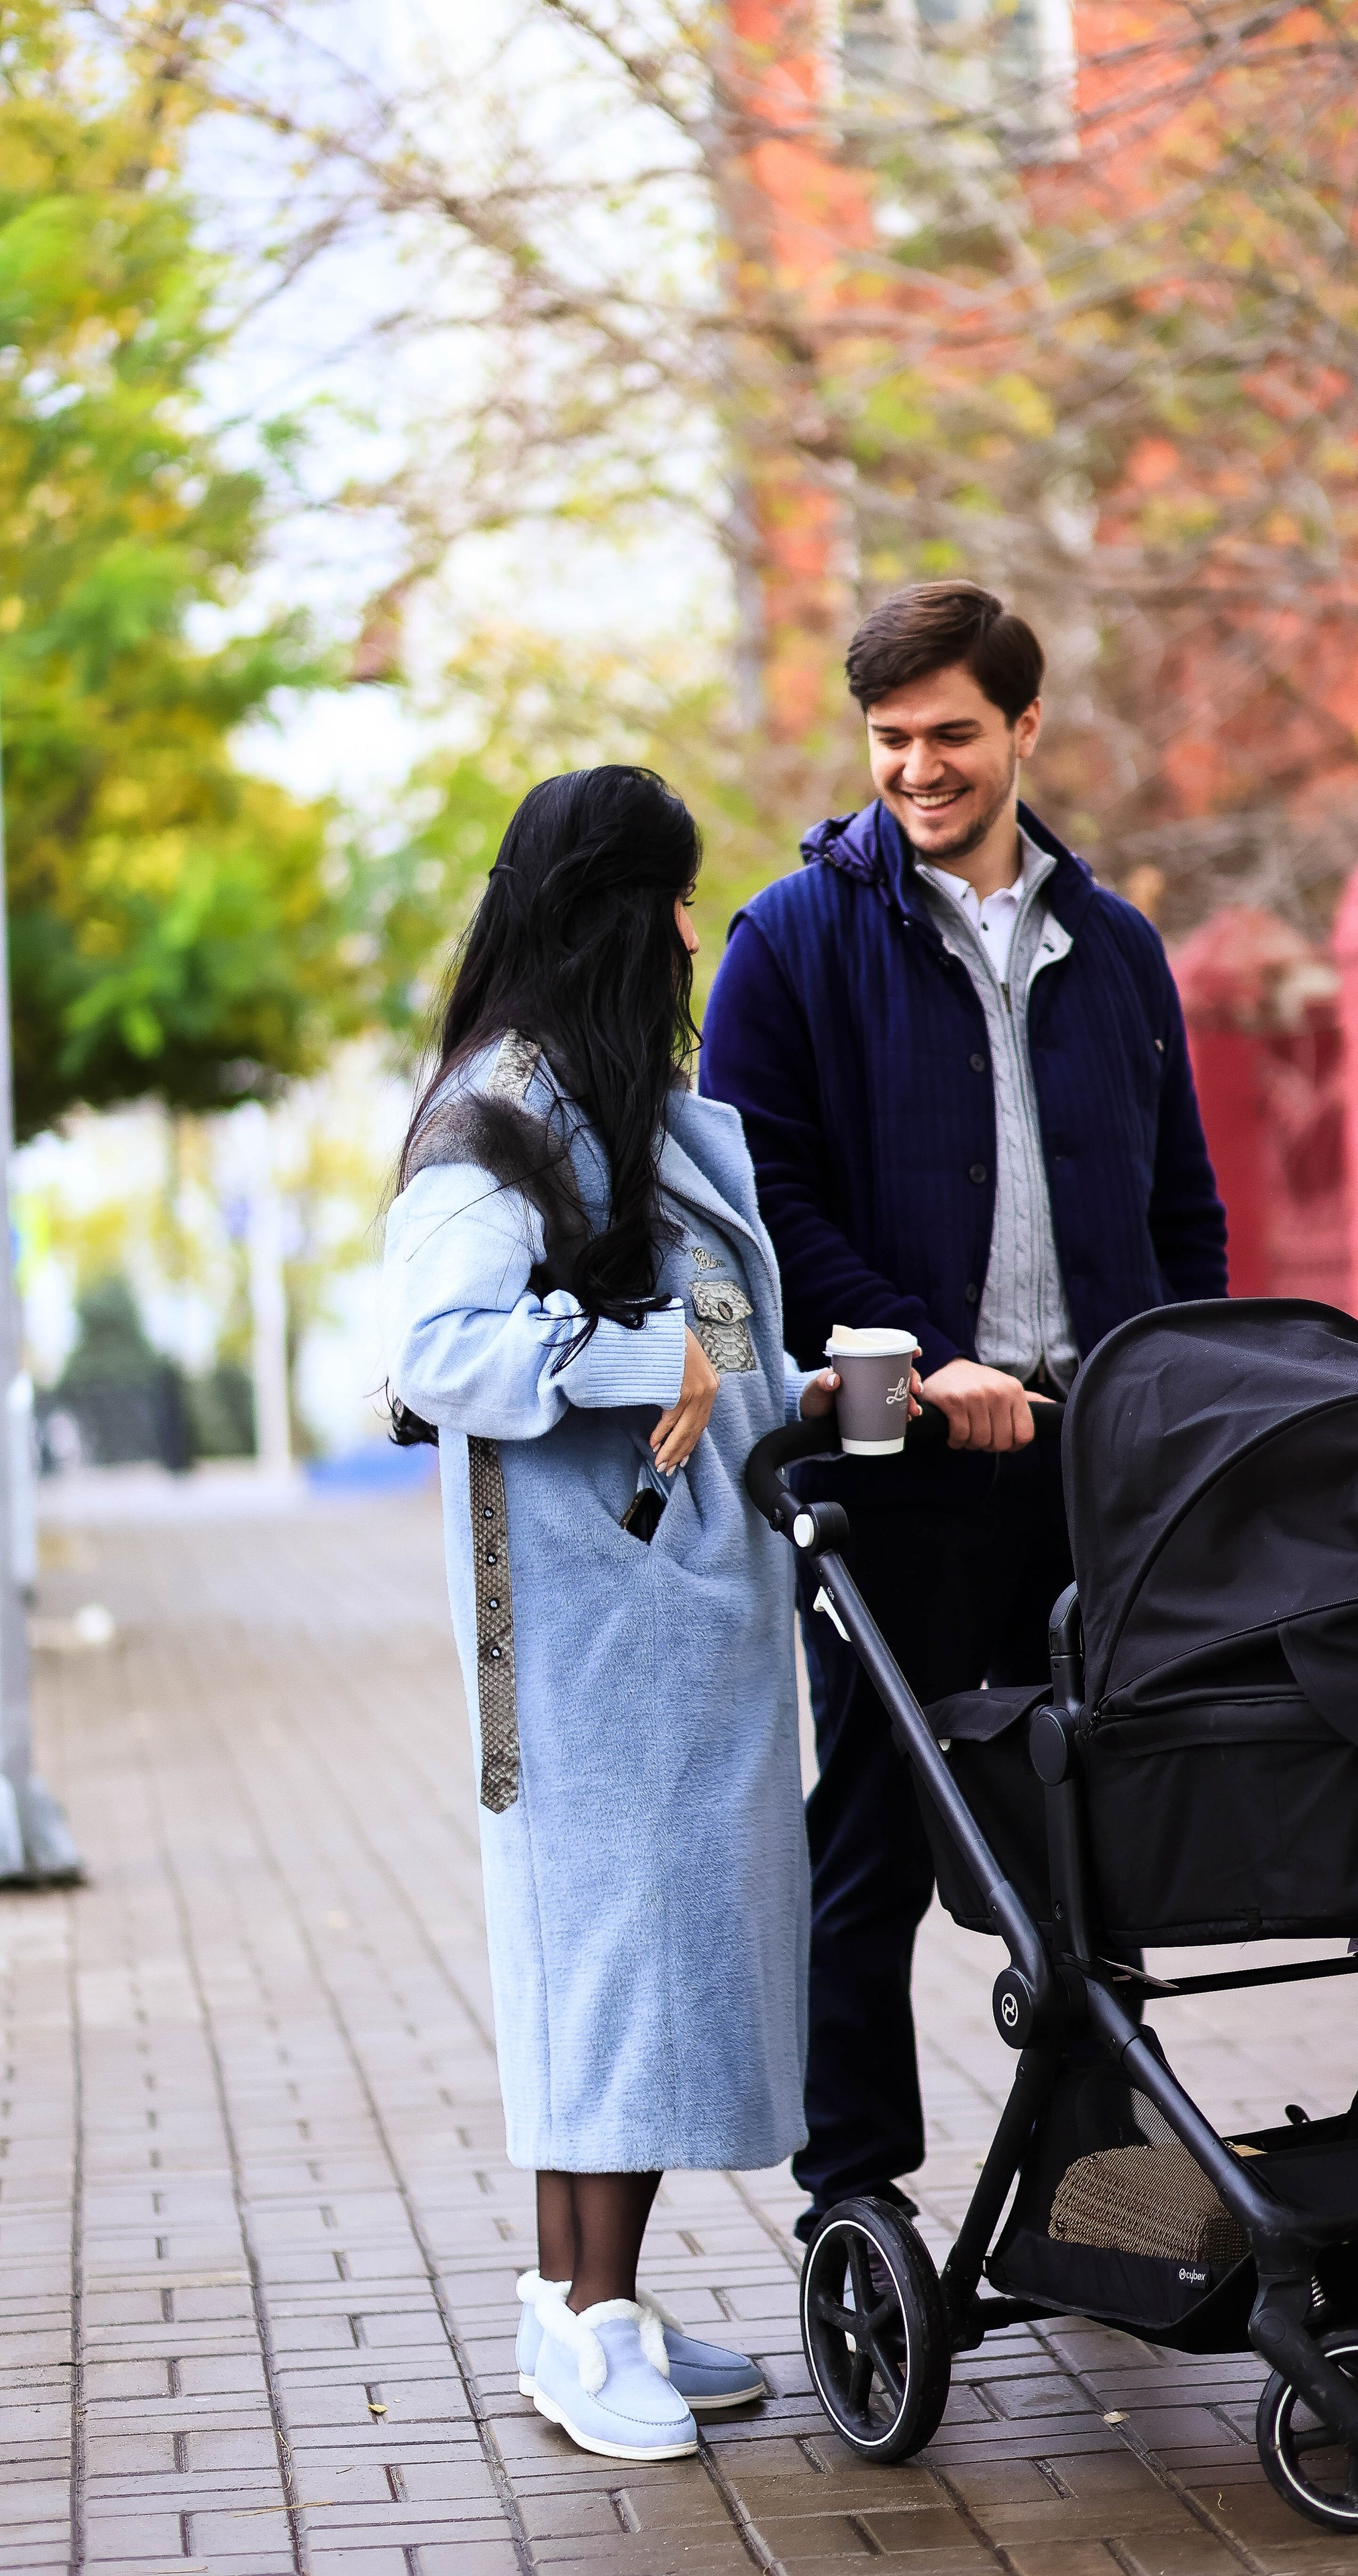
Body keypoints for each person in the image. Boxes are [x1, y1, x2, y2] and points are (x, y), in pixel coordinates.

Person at [699, 580, 1228, 2239]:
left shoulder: (1117, 945)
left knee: (1091, 1818)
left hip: (1091, 1458)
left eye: (948, 735)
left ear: (1022, 730)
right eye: (889, 740)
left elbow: (1179, 1211)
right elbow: (759, 1198)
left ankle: (1108, 2169)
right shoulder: (789, 943)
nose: (916, 768)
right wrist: (926, 1361)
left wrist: (1180, 1394)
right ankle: (853, 2190)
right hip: (894, 1458)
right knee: (868, 1829)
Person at [381, 767, 877, 2464]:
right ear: (611, 913)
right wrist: (624, 1358)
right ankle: (572, 2326)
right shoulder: (506, 1111)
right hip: (584, 1633)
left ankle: (605, 2304)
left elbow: (702, 1337)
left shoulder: (623, 1103)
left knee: (660, 1970)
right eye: (671, 899)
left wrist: (799, 1392)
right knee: (602, 1966)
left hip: (679, 1617)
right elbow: (434, 1347)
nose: (690, 929)